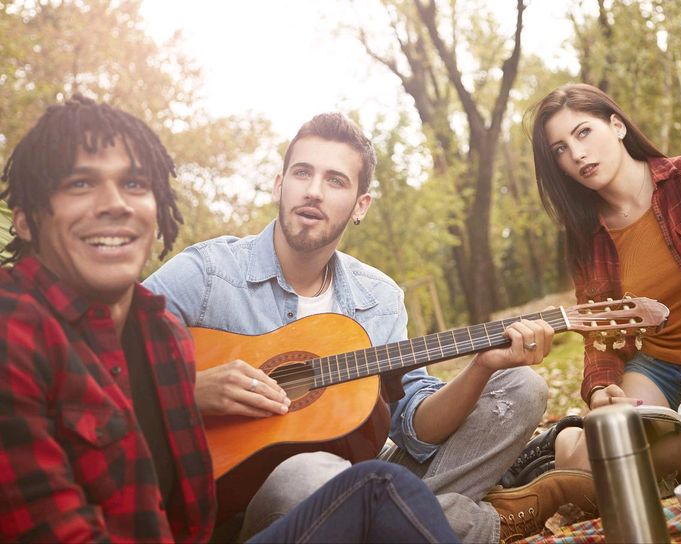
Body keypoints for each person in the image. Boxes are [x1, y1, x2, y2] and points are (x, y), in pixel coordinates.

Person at [0, 95, 459, 543]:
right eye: (81, 184)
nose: (115, 204)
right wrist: (190, 392)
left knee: (377, 485)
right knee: (370, 490)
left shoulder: (158, 332)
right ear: (24, 220)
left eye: (135, 185)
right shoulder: (17, 331)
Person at [144, 112, 595, 543]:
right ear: (280, 184)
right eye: (302, 173)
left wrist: (481, 367)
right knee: (312, 473)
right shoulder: (208, 273)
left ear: (361, 205)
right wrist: (188, 390)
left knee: (521, 386)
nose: (314, 191)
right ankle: (483, 523)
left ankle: (392, 520)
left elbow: (415, 430)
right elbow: (90, 353)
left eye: (335, 180)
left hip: (356, 478)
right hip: (219, 507)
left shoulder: (376, 297)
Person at [524, 83, 681, 486]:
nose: (576, 154)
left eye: (583, 132)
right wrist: (600, 388)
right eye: (559, 149)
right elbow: (600, 335)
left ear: (617, 126)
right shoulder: (584, 235)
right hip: (655, 371)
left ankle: (608, 468)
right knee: (597, 452)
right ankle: (587, 454)